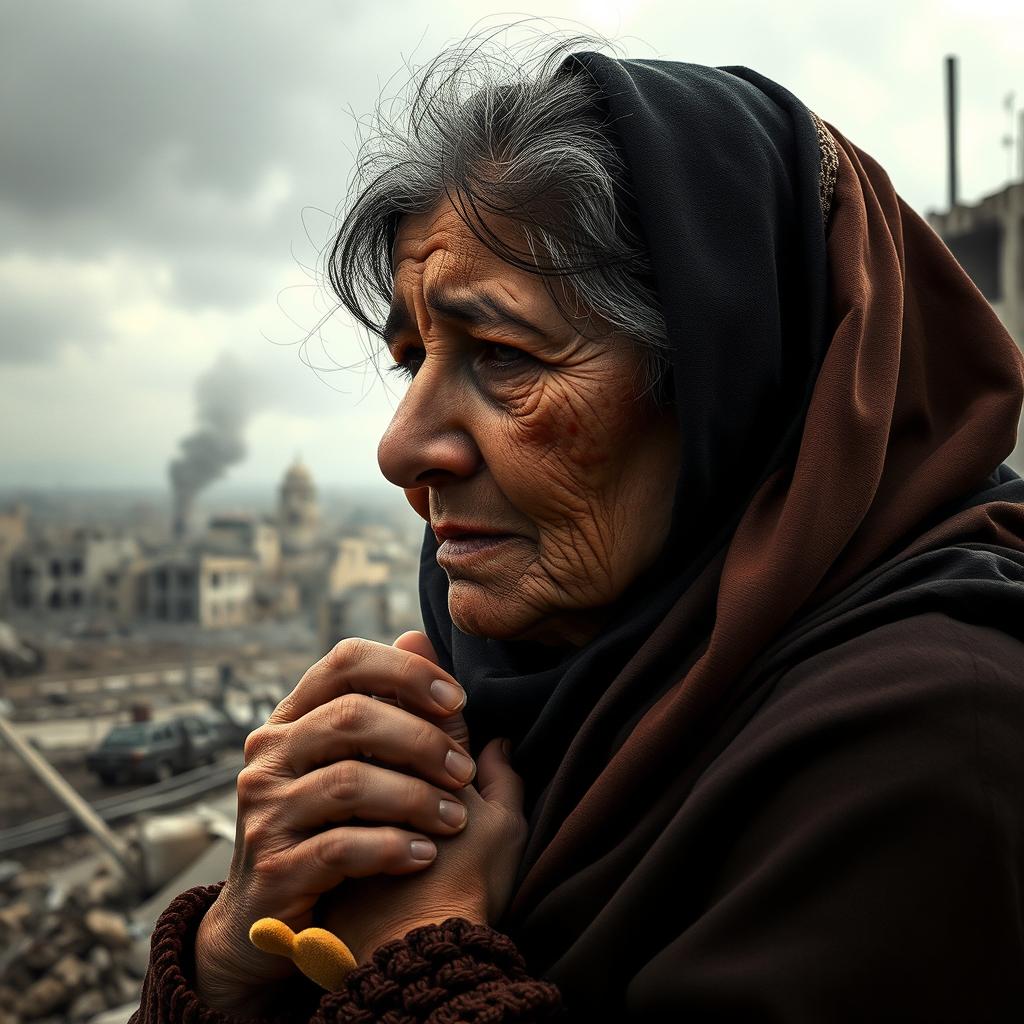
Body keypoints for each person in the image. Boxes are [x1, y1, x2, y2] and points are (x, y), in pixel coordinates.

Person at [131, 30, 1024, 1024]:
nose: (400, 446)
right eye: (412, 356)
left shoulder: (935, 751)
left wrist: (420, 969)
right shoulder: (529, 705)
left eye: (505, 354)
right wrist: (226, 966)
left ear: (734, 387)